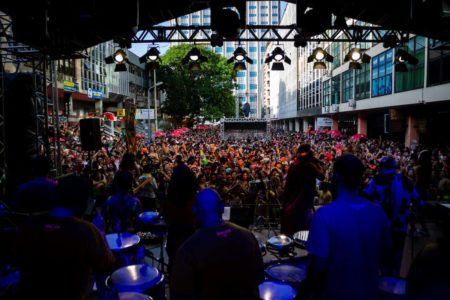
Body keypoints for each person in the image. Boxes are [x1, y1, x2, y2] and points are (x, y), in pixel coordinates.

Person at [13, 174, 116, 300]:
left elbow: (17, 260)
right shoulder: (86, 231)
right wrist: (101, 231)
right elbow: (107, 264)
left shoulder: (29, 224)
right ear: (83, 201)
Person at [306, 154, 391, 300]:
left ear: (337, 176)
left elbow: (318, 268)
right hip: (370, 294)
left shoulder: (324, 216)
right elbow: (387, 260)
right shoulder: (379, 213)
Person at [171, 188, 264, 300]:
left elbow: (180, 295)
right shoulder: (248, 236)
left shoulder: (187, 250)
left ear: (195, 210)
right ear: (222, 207)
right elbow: (259, 278)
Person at [364, 156, 418, 276]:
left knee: (382, 259)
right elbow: (419, 201)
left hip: (381, 227)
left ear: (381, 167)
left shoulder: (376, 180)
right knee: (397, 257)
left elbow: (366, 198)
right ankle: (394, 284)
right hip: (400, 226)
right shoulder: (406, 181)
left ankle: (383, 284)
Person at [280, 143, 324, 236]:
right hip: (306, 195)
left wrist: (286, 197)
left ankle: (291, 235)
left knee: (293, 215)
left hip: (294, 195)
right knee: (304, 217)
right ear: (307, 153)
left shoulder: (294, 165)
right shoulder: (310, 165)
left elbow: (288, 183)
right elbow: (322, 176)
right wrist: (317, 164)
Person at [165, 155, 199, 274]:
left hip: (174, 233)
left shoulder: (171, 197)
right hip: (189, 234)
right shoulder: (193, 198)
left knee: (174, 261)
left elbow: (167, 217)